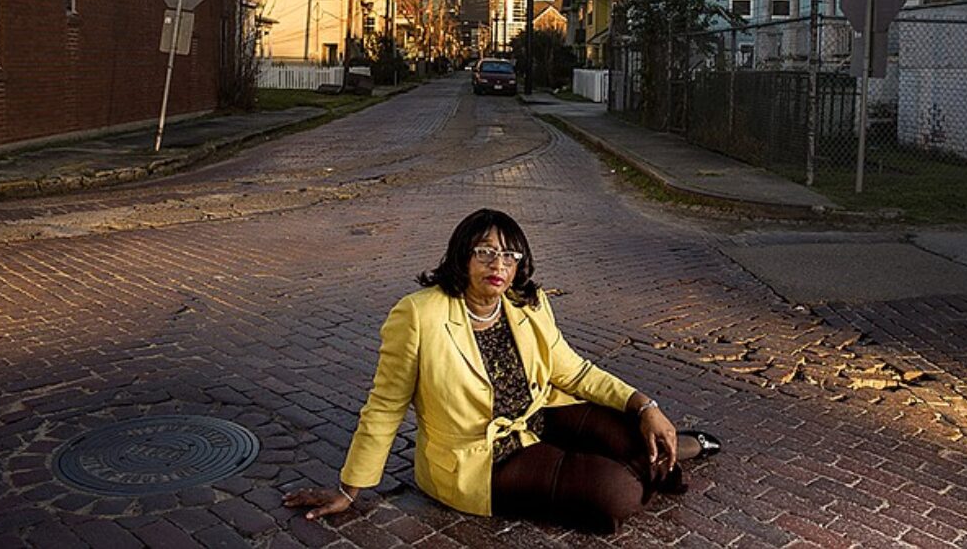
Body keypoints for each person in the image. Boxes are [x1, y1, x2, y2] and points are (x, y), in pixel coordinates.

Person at [283, 208, 721, 534]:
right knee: (616, 494)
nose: (499, 265)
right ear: (462, 255)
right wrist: (349, 488)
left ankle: (673, 444)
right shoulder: (419, 315)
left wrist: (645, 405)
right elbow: (385, 405)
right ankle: (669, 454)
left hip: (540, 414)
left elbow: (572, 370)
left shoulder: (527, 302)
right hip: (481, 457)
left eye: (509, 255)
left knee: (632, 431)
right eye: (486, 252)